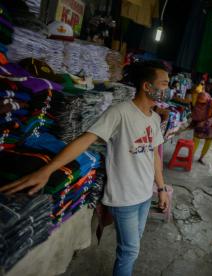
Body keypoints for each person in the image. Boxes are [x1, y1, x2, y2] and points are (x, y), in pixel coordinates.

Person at [0, 62, 170, 276]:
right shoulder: (120, 112)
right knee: (130, 250)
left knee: (132, 247)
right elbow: (85, 140)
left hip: (145, 195)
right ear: (147, 86)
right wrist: (48, 170)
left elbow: (154, 155)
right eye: (164, 84)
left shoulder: (154, 118)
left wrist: (161, 189)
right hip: (124, 197)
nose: (167, 89)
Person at [191, 91, 212, 164]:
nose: (201, 104)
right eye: (200, 102)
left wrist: (205, 122)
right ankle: (190, 156)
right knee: (195, 139)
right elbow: (195, 116)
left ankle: (201, 158)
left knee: (208, 141)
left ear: (207, 99)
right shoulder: (197, 103)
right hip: (200, 123)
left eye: (203, 103)